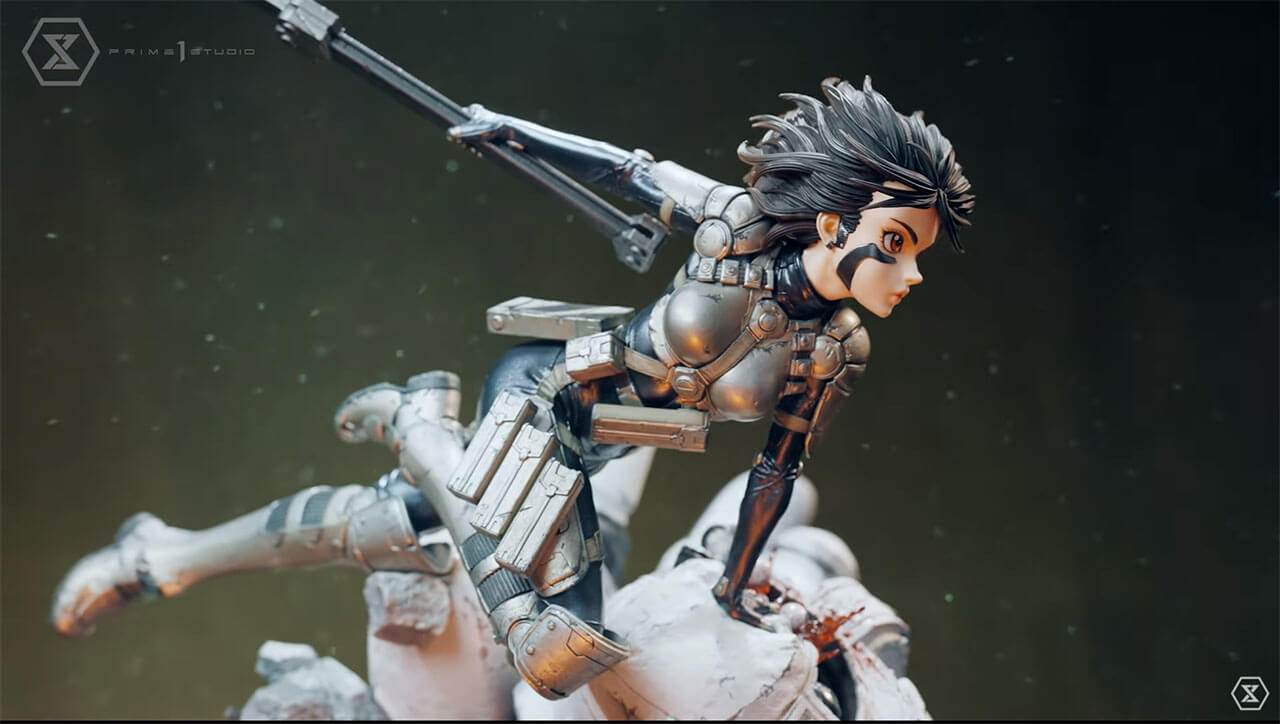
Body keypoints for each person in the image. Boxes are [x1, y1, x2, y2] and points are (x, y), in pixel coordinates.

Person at [54, 76, 974, 701]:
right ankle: (419, 434)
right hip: (555, 390)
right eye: (897, 244)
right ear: (833, 221)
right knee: (547, 641)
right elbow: (627, 167)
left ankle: (170, 551)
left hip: (629, 436)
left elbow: (776, 472)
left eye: (919, 254)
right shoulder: (733, 226)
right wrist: (513, 131)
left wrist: (734, 591)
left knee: (418, 521)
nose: (911, 275)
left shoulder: (834, 347)